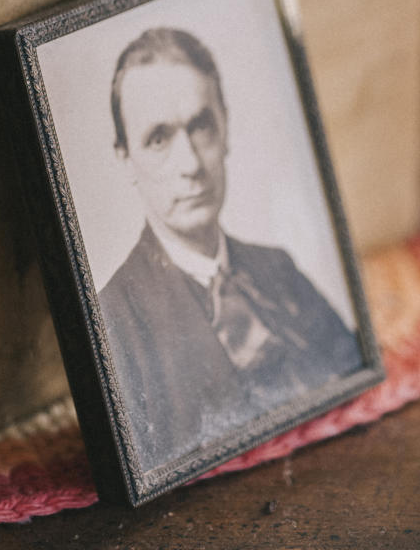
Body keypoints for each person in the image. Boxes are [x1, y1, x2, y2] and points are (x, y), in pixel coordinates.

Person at [96, 27, 362, 471]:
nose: (191, 165)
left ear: (225, 131)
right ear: (126, 159)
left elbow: (345, 377)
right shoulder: (116, 318)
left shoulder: (277, 267)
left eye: (201, 127)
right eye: (158, 139)